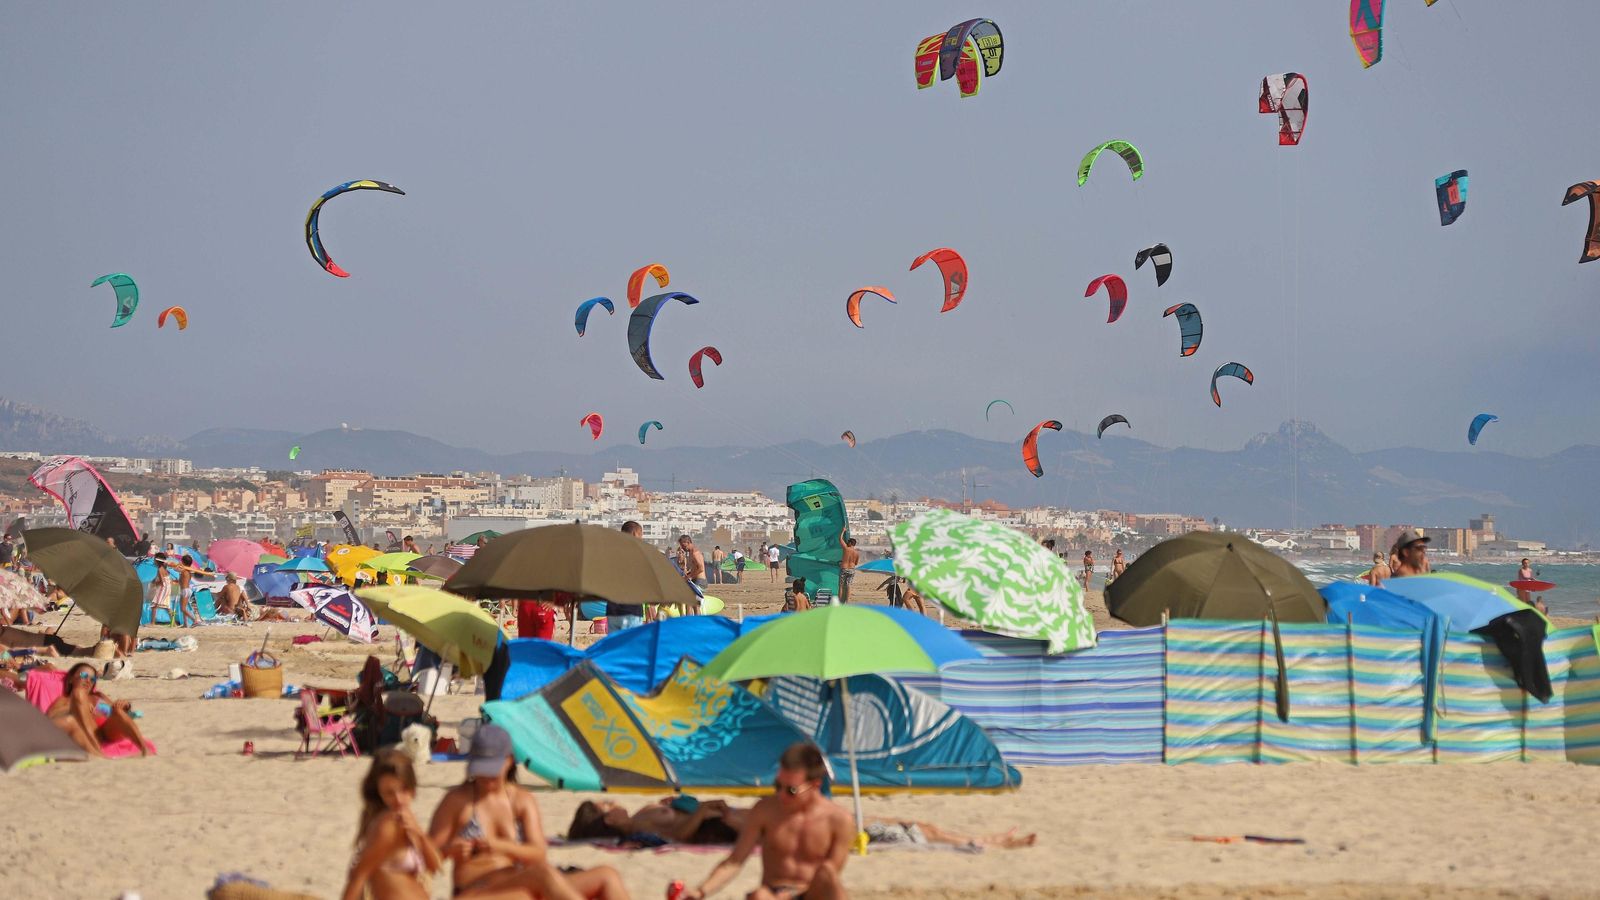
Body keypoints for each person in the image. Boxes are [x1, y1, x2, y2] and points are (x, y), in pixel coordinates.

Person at [427, 724, 627, 899]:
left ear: (509, 760)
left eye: (492, 769)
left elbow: (539, 854)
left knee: (607, 876)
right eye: (481, 769)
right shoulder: (458, 801)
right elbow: (427, 857)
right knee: (537, 882)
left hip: (521, 880)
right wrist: (450, 849)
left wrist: (500, 846)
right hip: (476, 889)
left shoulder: (521, 800)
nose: (487, 777)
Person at [683, 743, 852, 900]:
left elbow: (829, 875)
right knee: (760, 895)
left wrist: (790, 895)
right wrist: (700, 892)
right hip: (773, 891)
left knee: (828, 875)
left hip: (812, 893)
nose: (782, 795)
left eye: (791, 790)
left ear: (815, 784)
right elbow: (734, 861)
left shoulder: (839, 820)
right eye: (778, 786)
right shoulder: (765, 811)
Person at [342, 749, 441, 900]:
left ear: (413, 788)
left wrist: (418, 832)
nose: (399, 799)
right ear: (378, 792)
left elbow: (435, 865)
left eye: (403, 789)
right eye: (389, 793)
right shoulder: (387, 825)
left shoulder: (406, 819)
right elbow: (358, 876)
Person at [47, 662, 151, 757]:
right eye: (84, 676)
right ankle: (96, 750)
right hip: (86, 734)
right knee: (78, 693)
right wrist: (74, 706)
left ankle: (144, 749)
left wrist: (125, 706)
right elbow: (50, 718)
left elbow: (119, 712)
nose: (88, 681)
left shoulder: (98, 696)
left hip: (106, 732)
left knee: (118, 712)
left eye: (92, 679)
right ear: (71, 679)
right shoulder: (64, 700)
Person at [567, 797, 745, 847]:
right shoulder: (640, 827)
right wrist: (702, 810)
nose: (613, 801)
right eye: (608, 804)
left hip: (722, 814)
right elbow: (679, 836)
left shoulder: (639, 816)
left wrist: (675, 803)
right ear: (610, 820)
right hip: (721, 823)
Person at [606, 522, 647, 632]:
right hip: (631, 609)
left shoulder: (611, 553)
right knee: (631, 646)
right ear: (634, 534)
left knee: (614, 647)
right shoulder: (639, 553)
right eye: (641, 534)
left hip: (612, 610)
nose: (642, 538)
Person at [148, 552, 173, 626]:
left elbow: (161, 582)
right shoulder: (164, 569)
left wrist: (154, 584)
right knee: (167, 606)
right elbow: (163, 579)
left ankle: (152, 623)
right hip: (167, 588)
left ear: (157, 561)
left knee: (154, 605)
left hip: (163, 588)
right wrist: (154, 581)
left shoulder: (159, 569)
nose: (153, 561)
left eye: (154, 559)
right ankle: (173, 622)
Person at [177, 554, 201, 628]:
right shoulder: (187, 571)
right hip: (186, 590)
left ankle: (195, 620)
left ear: (183, 562)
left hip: (185, 590)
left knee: (183, 609)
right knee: (184, 608)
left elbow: (177, 570)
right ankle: (185, 624)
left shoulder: (184, 571)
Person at [837, 529, 858, 604]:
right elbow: (855, 563)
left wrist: (843, 531)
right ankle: (847, 602)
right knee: (848, 586)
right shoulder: (856, 553)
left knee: (841, 586)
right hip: (852, 570)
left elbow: (840, 539)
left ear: (850, 543)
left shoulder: (846, 548)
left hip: (844, 569)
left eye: (848, 542)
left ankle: (839, 602)